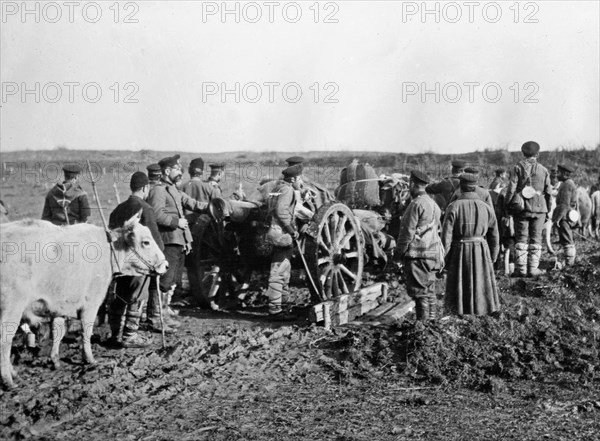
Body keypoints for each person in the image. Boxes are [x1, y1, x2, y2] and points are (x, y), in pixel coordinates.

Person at [147, 155, 208, 324]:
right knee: (163, 280)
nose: (180, 171)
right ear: (167, 171)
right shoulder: (159, 190)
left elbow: (193, 204)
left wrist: (213, 206)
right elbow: (156, 215)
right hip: (168, 240)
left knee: (172, 280)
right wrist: (176, 222)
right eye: (177, 169)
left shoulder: (173, 190)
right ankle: (155, 317)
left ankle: (163, 314)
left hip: (178, 241)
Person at [107, 172, 165, 348]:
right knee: (138, 296)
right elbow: (154, 239)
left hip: (119, 262)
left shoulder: (118, 208)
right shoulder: (145, 208)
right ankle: (130, 335)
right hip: (139, 263)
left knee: (119, 296)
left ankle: (114, 334)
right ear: (146, 188)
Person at [442, 173, 500, 316]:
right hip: (481, 249)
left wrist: (446, 259)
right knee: (482, 282)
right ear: (475, 188)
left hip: (459, 250)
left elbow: (446, 237)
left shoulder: (453, 206)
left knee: (460, 283)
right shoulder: (487, 208)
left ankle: (460, 312)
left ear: (460, 188)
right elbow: (494, 236)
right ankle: (483, 311)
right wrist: (492, 257)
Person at [396, 171, 443, 321]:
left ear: (412, 184)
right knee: (429, 292)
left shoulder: (416, 204)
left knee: (420, 294)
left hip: (419, 254)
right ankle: (432, 325)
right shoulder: (434, 204)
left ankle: (422, 328)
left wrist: (398, 254)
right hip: (434, 255)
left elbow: (406, 233)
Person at [504, 141, 552, 277]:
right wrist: (547, 210)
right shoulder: (543, 170)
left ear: (523, 153)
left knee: (521, 239)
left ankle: (521, 270)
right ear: (538, 154)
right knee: (536, 239)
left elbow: (511, 188)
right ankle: (533, 269)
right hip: (540, 208)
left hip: (522, 208)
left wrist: (508, 205)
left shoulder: (517, 167)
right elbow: (548, 192)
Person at [264, 164, 304, 320]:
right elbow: (282, 211)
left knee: (284, 271)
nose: (300, 181)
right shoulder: (287, 190)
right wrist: (292, 229)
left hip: (272, 232)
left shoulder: (276, 187)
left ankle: (284, 306)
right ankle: (275, 311)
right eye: (299, 178)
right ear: (293, 178)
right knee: (278, 273)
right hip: (281, 234)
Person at [552, 164, 578, 267]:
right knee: (567, 239)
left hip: (564, 216)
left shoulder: (566, 184)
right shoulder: (568, 183)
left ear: (564, 174)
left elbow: (564, 203)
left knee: (567, 240)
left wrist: (558, 218)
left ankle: (569, 265)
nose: (556, 174)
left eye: (558, 172)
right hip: (567, 215)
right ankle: (569, 263)